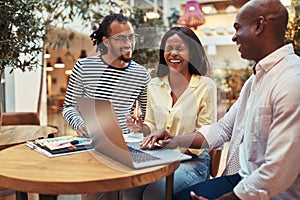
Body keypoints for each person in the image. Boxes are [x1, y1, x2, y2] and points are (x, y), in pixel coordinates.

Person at [140, 0, 300, 199]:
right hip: (242, 176)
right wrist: (174, 140)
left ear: (259, 26)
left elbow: (280, 171)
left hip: (274, 192)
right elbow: (223, 128)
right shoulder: (255, 80)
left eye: (237, 28)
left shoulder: (291, 81)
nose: (234, 37)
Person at [124, 27, 217, 200]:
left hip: (193, 162)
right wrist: (141, 127)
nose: (173, 53)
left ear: (192, 52)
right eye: (169, 48)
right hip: (159, 157)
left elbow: (205, 135)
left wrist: (172, 153)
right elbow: (151, 125)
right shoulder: (154, 85)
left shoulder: (206, 86)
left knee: (154, 193)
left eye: (180, 48)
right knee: (129, 190)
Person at [62, 14, 151, 138]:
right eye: (120, 39)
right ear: (106, 41)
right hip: (91, 140)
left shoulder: (141, 75)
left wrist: (141, 126)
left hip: (126, 142)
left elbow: (149, 116)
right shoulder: (83, 67)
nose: (128, 44)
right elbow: (69, 107)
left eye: (131, 37)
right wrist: (80, 125)